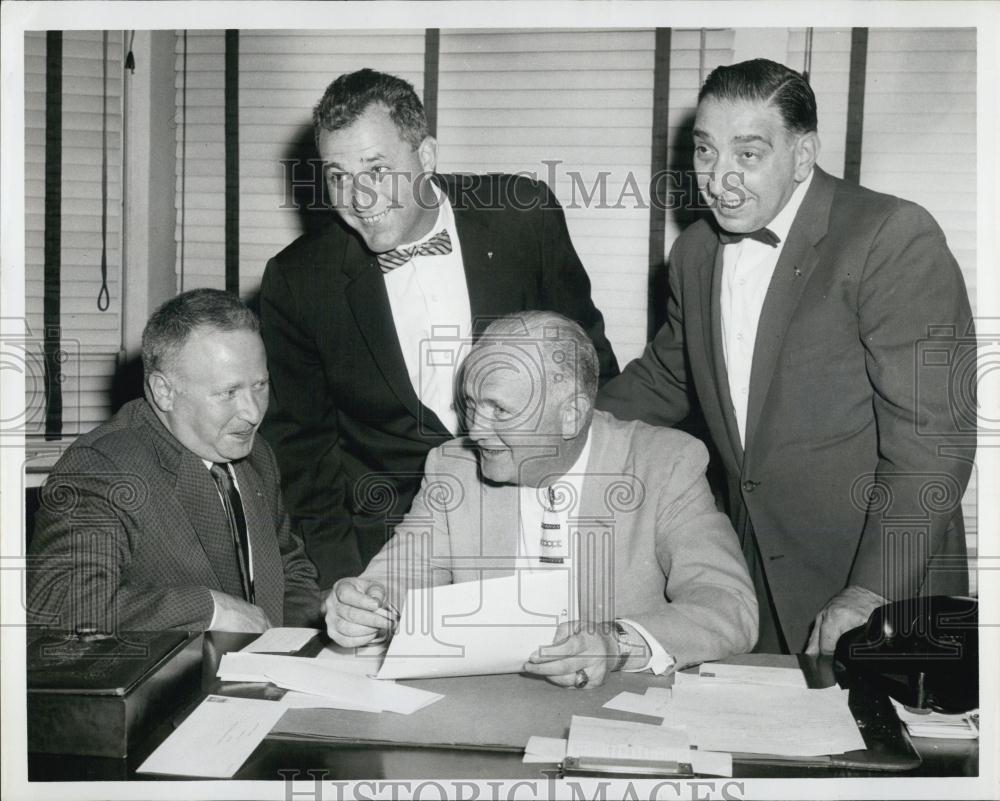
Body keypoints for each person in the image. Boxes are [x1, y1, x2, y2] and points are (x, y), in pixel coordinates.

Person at [596, 59, 975, 654]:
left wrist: (871, 592)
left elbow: (934, 441)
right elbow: (670, 378)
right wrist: (555, 424)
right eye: (704, 153)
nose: (719, 179)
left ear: (803, 155)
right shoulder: (695, 252)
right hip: (755, 577)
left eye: (747, 155)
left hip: (879, 586)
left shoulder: (892, 235)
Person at [259, 69, 619, 591]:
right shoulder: (298, 280)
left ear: (426, 156)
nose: (359, 198)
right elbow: (301, 456)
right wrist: (347, 580)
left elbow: (590, 373)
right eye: (338, 176)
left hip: (541, 520)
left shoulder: (523, 218)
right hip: (388, 545)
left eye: (376, 169)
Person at [325, 311, 757, 688]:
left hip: (623, 715)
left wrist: (614, 643)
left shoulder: (664, 464)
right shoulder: (451, 467)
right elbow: (401, 575)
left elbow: (728, 605)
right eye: (471, 405)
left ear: (570, 414)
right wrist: (366, 606)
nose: (475, 430)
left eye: (500, 410)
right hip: (488, 714)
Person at [27, 289, 321, 633]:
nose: (253, 412)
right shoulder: (103, 466)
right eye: (228, 393)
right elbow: (56, 601)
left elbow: (290, 569)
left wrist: (303, 639)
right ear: (164, 391)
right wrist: (209, 609)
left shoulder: (256, 454)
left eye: (260, 385)